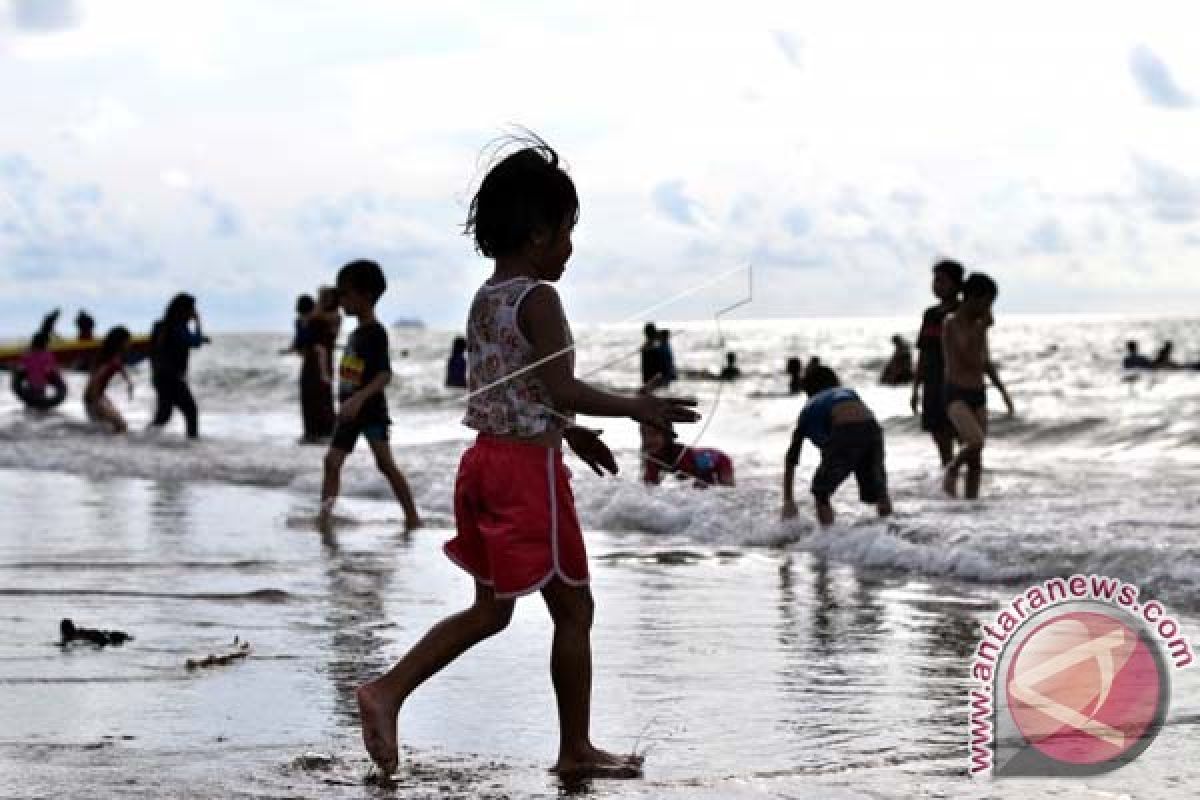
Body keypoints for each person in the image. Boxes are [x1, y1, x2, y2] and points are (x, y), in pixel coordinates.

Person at [354, 139, 698, 779]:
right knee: (575, 609)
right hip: (527, 478)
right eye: (568, 231)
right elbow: (559, 387)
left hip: (486, 464)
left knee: (492, 609)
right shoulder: (539, 298)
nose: (570, 247)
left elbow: (519, 391)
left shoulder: (487, 299)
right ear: (540, 233)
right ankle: (575, 750)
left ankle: (388, 690)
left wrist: (571, 434)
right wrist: (637, 407)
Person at [318, 260, 421, 530]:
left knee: (385, 464)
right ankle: (324, 518)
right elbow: (351, 373)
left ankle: (412, 517)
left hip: (370, 410)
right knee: (331, 462)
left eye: (345, 293)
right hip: (349, 412)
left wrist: (358, 399)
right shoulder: (355, 333)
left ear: (365, 296)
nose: (341, 300)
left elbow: (384, 374)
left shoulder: (375, 333)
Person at [782, 364, 892, 525]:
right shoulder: (848, 393)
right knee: (878, 491)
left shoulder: (810, 407)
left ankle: (828, 537)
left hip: (845, 429)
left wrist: (788, 500)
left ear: (808, 390)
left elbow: (791, 458)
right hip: (872, 428)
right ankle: (889, 530)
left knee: (821, 491)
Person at [942, 273, 1014, 499]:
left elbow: (983, 360)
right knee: (975, 441)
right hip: (956, 393)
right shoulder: (951, 323)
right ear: (972, 298)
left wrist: (1003, 391)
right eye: (987, 302)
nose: (989, 308)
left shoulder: (977, 325)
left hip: (978, 392)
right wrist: (982, 327)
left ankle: (971, 508)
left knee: (976, 459)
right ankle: (951, 470)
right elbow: (966, 354)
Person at [911, 259, 964, 467]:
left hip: (956, 384)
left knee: (964, 438)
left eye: (942, 280)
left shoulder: (963, 312)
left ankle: (968, 489)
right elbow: (923, 353)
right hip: (932, 384)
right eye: (935, 280)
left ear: (957, 284)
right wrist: (915, 388)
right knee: (940, 439)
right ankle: (950, 491)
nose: (936, 285)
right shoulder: (930, 314)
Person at [149, 293, 208, 439]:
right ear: (184, 310)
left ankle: (143, 440)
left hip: (159, 376)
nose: (193, 312)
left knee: (164, 415)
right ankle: (193, 442)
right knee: (191, 411)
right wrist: (198, 322)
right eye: (192, 308)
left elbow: (154, 351)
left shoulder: (160, 326)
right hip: (172, 378)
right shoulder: (178, 326)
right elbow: (194, 342)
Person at [641, 422, 733, 487]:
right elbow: (649, 484)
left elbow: (697, 479)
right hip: (698, 468)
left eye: (654, 434)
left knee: (725, 489)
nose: (648, 439)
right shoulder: (651, 457)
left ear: (667, 436)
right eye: (644, 435)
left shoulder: (681, 453)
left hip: (720, 460)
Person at [83, 327, 134, 433]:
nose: (130, 343)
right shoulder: (109, 359)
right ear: (120, 342)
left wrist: (129, 382)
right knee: (121, 426)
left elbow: (119, 367)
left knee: (109, 427)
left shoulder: (114, 356)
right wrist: (96, 400)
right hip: (94, 396)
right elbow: (96, 378)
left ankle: (107, 446)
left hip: (98, 395)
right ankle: (113, 447)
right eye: (128, 341)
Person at [14, 332, 65, 410]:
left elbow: (21, 367)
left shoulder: (27, 353)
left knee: (32, 403)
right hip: (40, 383)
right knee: (40, 403)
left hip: (31, 383)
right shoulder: (47, 354)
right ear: (45, 343)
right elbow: (51, 369)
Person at [640, 322, 665, 386]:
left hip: (650, 373)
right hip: (651, 373)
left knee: (648, 382)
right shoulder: (650, 344)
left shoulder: (649, 344)